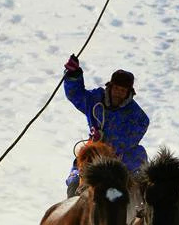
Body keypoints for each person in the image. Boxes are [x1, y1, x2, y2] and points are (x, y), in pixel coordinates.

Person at [62, 54, 149, 197]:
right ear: (110, 86)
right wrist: (74, 75)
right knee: (74, 185)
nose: (118, 93)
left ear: (129, 93)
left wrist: (106, 143)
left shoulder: (138, 117)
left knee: (141, 191)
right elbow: (76, 95)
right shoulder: (95, 99)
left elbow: (132, 138)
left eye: (122, 90)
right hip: (92, 154)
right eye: (116, 88)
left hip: (125, 160)